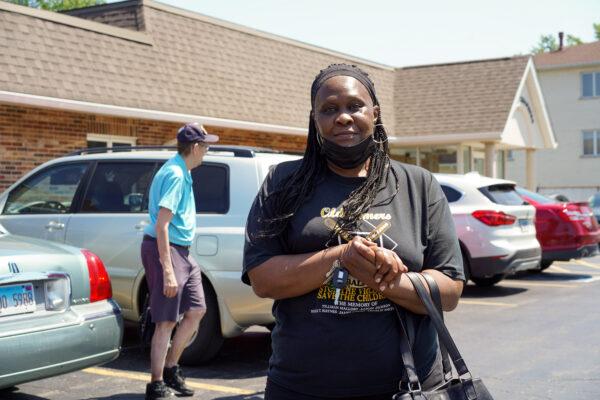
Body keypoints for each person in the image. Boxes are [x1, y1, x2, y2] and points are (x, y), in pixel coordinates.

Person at [243, 64, 465, 400]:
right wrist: (340, 257)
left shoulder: (417, 184)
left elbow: (449, 291)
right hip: (303, 388)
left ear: (374, 113)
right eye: (329, 109)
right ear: (314, 119)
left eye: (354, 106)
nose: (343, 117)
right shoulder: (282, 183)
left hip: (411, 389)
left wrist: (384, 278)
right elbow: (263, 279)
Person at [141, 123, 219, 400]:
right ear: (196, 147)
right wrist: (168, 271)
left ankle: (171, 367)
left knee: (197, 310)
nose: (208, 150)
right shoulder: (175, 174)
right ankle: (156, 384)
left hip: (182, 251)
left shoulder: (181, 170)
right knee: (165, 321)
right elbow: (162, 225)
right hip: (167, 250)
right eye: (206, 146)